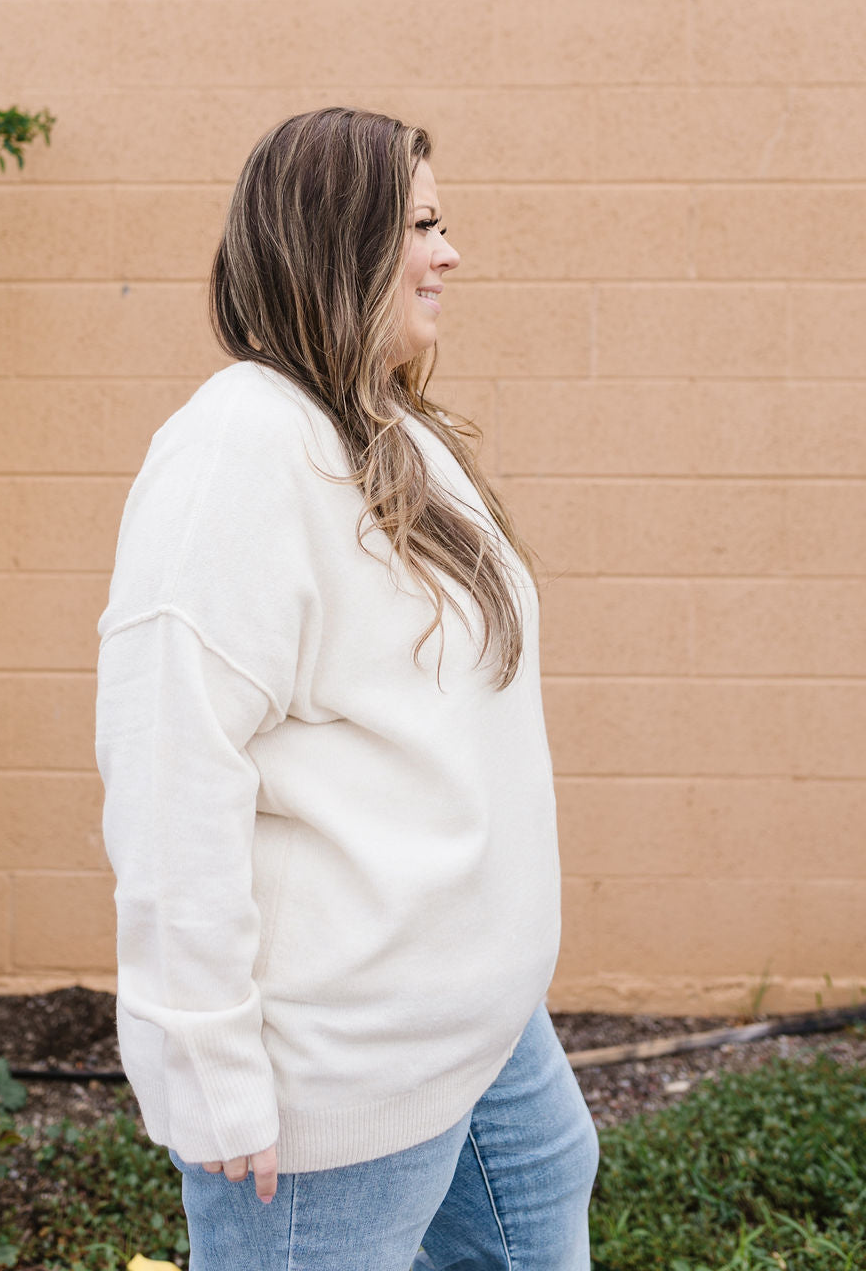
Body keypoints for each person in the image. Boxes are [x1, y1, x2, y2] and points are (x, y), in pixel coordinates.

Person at [95, 107, 598, 1270]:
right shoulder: (239, 454)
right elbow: (172, 773)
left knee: (541, 1190)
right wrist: (209, 1072)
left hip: (468, 1021)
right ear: (342, 245)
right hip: (341, 1066)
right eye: (420, 224)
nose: (448, 252)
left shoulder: (382, 427)